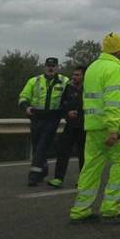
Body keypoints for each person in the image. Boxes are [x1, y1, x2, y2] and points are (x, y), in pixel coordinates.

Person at [69, 32, 120, 224]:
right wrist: (114, 129)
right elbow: (113, 101)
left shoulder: (92, 68)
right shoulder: (115, 70)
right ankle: (110, 209)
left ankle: (80, 210)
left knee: (91, 167)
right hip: (113, 127)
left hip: (93, 126)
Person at [18, 57, 69, 186]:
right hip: (36, 117)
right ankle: (43, 169)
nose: (50, 68)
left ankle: (33, 176)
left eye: (53, 66)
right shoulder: (34, 81)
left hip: (53, 118)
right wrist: (26, 107)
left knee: (42, 145)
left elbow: (72, 95)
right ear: (44, 67)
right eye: (48, 66)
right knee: (37, 146)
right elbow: (23, 96)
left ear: (57, 67)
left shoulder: (64, 81)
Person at [48, 65, 86, 188]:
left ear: (84, 76)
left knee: (84, 155)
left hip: (84, 127)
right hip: (70, 126)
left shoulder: (89, 90)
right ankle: (58, 178)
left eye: (77, 75)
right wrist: (67, 113)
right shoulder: (68, 88)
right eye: (73, 74)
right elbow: (62, 104)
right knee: (63, 151)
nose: (74, 77)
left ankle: (83, 180)